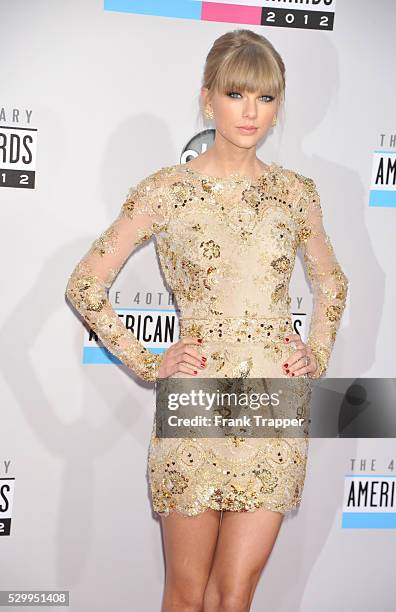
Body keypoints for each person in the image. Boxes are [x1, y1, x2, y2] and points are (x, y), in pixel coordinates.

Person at [66, 29, 348, 612]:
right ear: (207, 98)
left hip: (272, 398)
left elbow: (332, 282)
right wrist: (148, 362)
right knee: (187, 593)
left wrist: (315, 352)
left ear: (278, 106)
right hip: (196, 399)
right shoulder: (165, 191)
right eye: (236, 94)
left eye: (265, 98)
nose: (250, 112)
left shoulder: (296, 194)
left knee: (236, 593)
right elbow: (86, 283)